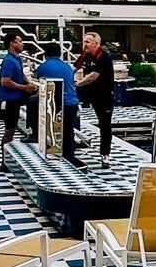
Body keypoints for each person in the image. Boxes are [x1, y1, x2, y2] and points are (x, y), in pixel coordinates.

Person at [35, 42, 82, 167]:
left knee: (51, 129)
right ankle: (69, 157)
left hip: (56, 104)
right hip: (72, 102)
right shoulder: (66, 67)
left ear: (45, 54)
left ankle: (49, 151)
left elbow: (40, 82)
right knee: (68, 131)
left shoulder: (43, 67)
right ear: (60, 53)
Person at [75, 31, 116, 167]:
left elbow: (93, 75)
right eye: (84, 41)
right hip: (88, 91)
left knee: (105, 124)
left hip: (103, 94)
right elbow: (74, 68)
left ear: (96, 44)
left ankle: (105, 154)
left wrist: (77, 84)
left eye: (87, 42)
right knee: (67, 104)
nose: (84, 45)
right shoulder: (85, 55)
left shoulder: (103, 56)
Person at [0, 33, 37, 147]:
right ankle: (4, 158)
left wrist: (29, 83)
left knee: (36, 99)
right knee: (10, 129)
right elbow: (5, 81)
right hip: (8, 99)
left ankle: (35, 131)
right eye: (20, 41)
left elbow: (21, 73)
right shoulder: (9, 61)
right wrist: (25, 87)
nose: (22, 44)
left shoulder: (17, 59)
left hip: (17, 97)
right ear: (12, 44)